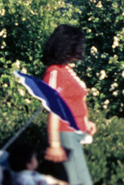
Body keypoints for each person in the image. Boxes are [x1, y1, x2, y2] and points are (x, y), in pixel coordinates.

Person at [41, 25, 96, 185]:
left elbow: (74, 101)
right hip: (65, 134)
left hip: (76, 133)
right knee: (79, 182)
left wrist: (87, 123)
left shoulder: (64, 69)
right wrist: (54, 144)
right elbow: (53, 110)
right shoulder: (55, 73)